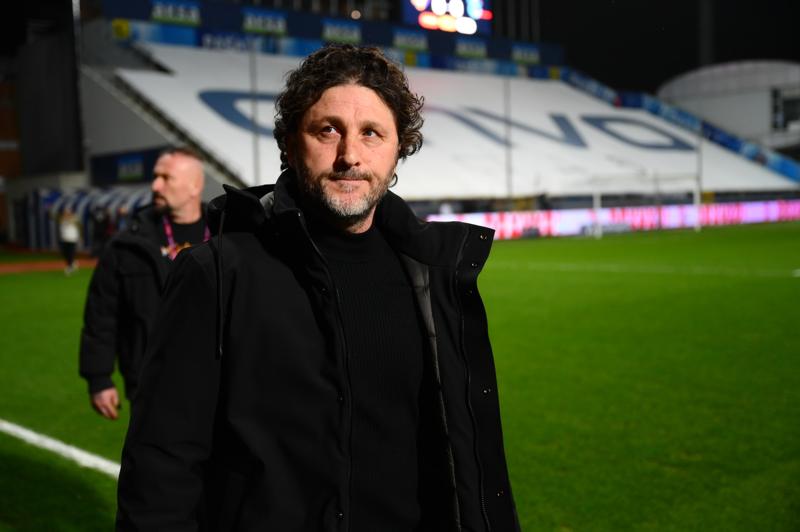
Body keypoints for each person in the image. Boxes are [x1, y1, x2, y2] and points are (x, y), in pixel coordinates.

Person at [117, 45, 520, 531]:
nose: (350, 156)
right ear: (290, 144)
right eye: (327, 130)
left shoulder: (432, 273)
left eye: (371, 133)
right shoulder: (217, 272)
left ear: (398, 149)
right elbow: (161, 462)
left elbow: (463, 455)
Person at [79, 147, 208, 420]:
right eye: (155, 176)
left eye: (166, 178)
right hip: (150, 382)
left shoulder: (228, 234)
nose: (155, 185)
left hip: (217, 380)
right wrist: (99, 378)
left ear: (195, 186)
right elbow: (101, 314)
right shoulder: (128, 243)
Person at [57, 207, 81, 275]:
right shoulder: (62, 219)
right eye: (65, 213)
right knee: (64, 253)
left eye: (68, 212)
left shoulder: (74, 218)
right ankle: (72, 263)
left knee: (70, 253)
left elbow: (75, 222)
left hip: (72, 239)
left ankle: (69, 267)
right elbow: (57, 218)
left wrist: (69, 218)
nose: (66, 214)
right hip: (64, 239)